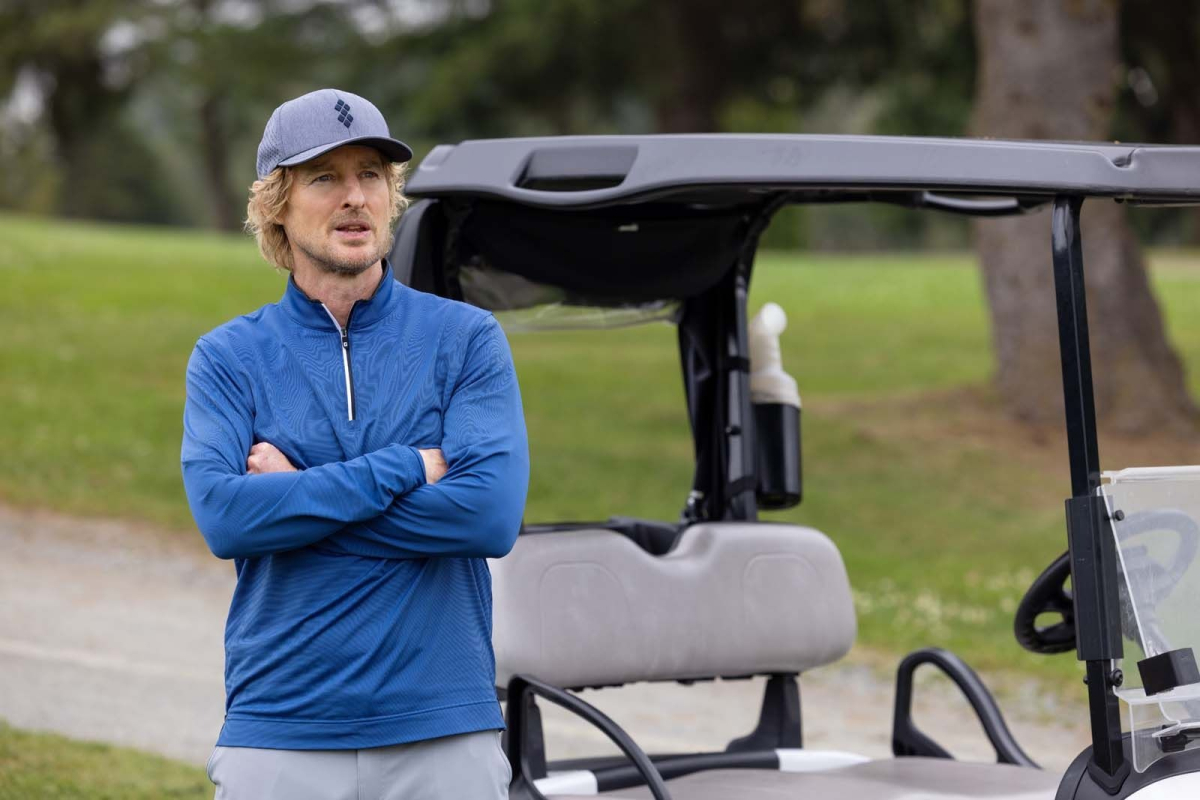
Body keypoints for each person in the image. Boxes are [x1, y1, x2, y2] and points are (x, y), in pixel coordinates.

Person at [180, 88, 528, 800]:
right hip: (280, 728)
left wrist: (294, 495)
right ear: (276, 204)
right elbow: (227, 519)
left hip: (444, 731)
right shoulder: (227, 358)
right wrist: (403, 467)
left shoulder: (465, 340)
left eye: (371, 174)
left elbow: (488, 517)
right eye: (325, 177)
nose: (355, 197)